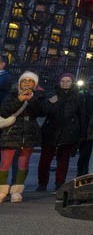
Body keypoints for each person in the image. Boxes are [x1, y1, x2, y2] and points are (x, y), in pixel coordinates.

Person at [37, 74, 87, 191]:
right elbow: (43, 111)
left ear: (72, 83)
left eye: (68, 81)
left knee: (63, 160)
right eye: (63, 81)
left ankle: (59, 183)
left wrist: (81, 132)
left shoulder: (78, 97)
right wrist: (50, 103)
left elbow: (81, 115)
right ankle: (42, 183)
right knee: (45, 160)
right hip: (51, 130)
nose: (65, 83)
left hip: (68, 131)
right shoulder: (52, 94)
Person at [1, 72, 44, 204]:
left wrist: (31, 99)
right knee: (5, 163)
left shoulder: (38, 96)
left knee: (23, 163)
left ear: (35, 84)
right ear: (19, 83)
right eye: (24, 80)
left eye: (30, 81)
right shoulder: (12, 94)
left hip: (28, 133)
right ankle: (2, 190)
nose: (26, 83)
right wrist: (18, 100)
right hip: (11, 132)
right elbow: (3, 111)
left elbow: (42, 111)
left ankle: (17, 191)